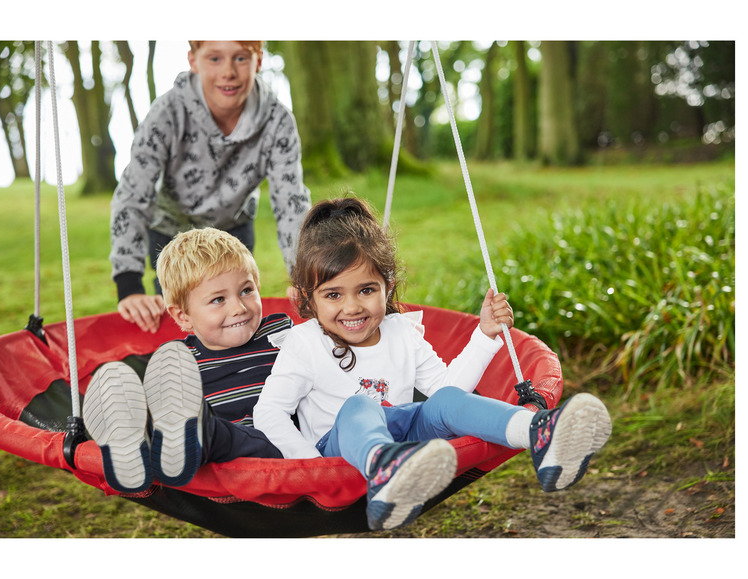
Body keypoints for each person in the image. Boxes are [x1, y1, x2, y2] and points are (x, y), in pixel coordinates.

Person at [253, 196, 612, 531]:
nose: (352, 307)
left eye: (366, 290)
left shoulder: (402, 333)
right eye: (333, 295)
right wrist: (308, 466)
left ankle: (539, 433)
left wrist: (485, 335)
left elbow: (447, 390)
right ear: (308, 300)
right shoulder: (305, 342)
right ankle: (385, 469)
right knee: (361, 405)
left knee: (443, 402)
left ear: (387, 287)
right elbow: (269, 412)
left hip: (406, 442)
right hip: (341, 453)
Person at [110, 40, 311, 334]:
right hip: (170, 234)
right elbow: (133, 193)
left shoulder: (277, 120)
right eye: (215, 58)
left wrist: (304, 274)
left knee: (234, 316)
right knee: (183, 322)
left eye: (241, 58)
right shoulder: (167, 113)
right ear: (193, 60)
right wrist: (128, 284)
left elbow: (290, 201)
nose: (228, 72)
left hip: (233, 230)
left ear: (258, 61)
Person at [84, 227, 287, 494]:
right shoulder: (179, 361)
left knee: (211, 431)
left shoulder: (280, 333)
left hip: (279, 448)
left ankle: (194, 434)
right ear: (183, 317)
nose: (239, 307)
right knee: (173, 420)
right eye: (218, 299)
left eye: (247, 290)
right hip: (214, 463)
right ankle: (133, 441)